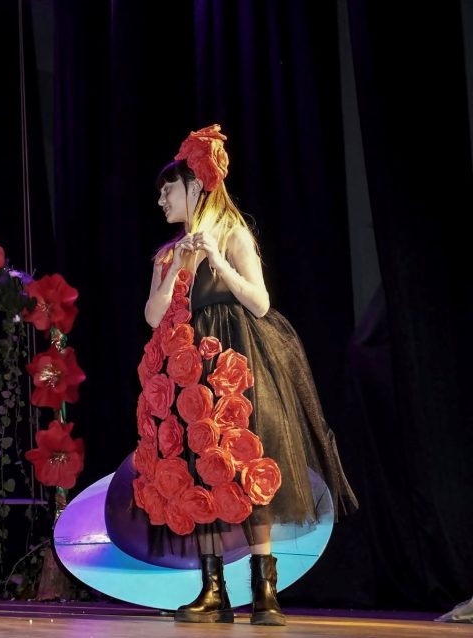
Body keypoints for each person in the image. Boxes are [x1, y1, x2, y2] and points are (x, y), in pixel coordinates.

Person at [135, 124, 358, 625]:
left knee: (245, 463)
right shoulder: (168, 254)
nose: (161, 201)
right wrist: (177, 269)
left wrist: (216, 259)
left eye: (168, 190)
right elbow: (152, 316)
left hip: (235, 361)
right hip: (187, 366)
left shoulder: (233, 233)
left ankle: (265, 592)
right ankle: (213, 590)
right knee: (199, 468)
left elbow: (259, 302)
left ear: (194, 185)